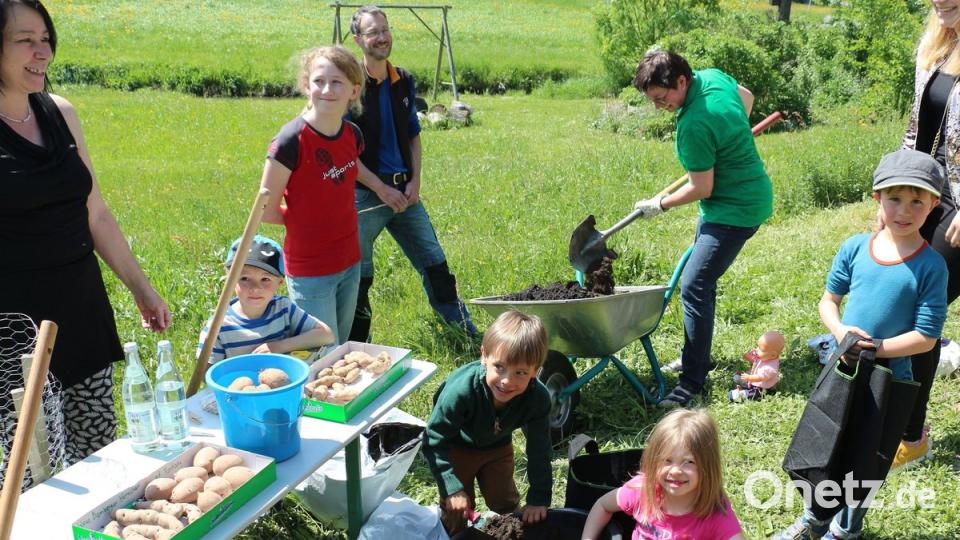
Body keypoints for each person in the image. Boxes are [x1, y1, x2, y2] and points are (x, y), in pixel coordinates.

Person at [0, 0, 170, 468]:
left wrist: (141, 288)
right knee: (36, 466)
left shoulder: (61, 113)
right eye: (25, 41)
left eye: (46, 39)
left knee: (98, 452)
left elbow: (94, 212)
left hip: (81, 312)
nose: (43, 52)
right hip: (13, 333)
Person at [777, 149, 948, 540]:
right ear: (877, 198)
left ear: (933, 205)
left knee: (870, 454)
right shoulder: (855, 248)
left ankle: (848, 526)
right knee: (827, 442)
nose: (904, 211)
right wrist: (840, 333)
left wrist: (876, 348)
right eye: (895, 199)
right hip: (842, 367)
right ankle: (815, 517)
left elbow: (926, 338)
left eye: (917, 201)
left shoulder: (931, 266)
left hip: (890, 380)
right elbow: (828, 301)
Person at [631, 49, 773, 408]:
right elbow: (747, 98)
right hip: (734, 200)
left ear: (681, 81)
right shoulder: (711, 76)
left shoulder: (693, 124)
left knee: (694, 285)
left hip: (735, 209)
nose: (660, 106)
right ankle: (699, 357)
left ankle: (692, 381)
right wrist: (731, 137)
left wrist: (659, 204)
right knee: (700, 282)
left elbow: (701, 188)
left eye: (663, 99)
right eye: (654, 101)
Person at [347, 5, 477, 342]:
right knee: (359, 279)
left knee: (435, 264)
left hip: (405, 193)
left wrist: (415, 180)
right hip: (364, 196)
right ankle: (357, 350)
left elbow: (413, 135)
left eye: (384, 29)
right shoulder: (350, 86)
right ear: (358, 39)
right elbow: (344, 154)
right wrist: (379, 188)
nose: (381, 37)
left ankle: (465, 333)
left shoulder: (402, 80)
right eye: (372, 32)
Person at [259, 45, 365, 344]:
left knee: (341, 346)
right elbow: (266, 210)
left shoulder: (352, 135)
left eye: (337, 82)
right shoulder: (290, 141)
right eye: (319, 81)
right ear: (307, 85)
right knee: (322, 351)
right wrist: (307, 223)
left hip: (350, 259)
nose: (327, 89)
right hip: (311, 269)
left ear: (353, 91)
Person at [894, 0, 960, 471]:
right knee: (916, 311)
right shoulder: (937, 48)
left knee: (921, 316)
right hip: (933, 196)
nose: (940, 2)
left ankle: (910, 435)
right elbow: (918, 132)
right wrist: (895, 192)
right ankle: (911, 435)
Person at [421, 310, 551, 535]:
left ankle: (511, 532)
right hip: (457, 447)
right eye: (499, 367)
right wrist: (452, 489)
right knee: (458, 509)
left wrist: (539, 497)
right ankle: (455, 534)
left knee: (505, 501)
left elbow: (540, 449)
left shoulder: (537, 398)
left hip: (498, 448)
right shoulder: (461, 392)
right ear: (484, 356)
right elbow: (434, 439)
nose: (507, 381)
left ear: (535, 371)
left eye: (520, 372)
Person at [580, 409, 744, 540]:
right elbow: (602, 505)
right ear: (653, 461)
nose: (675, 471)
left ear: (708, 467)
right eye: (667, 460)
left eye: (689, 462)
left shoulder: (714, 512)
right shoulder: (642, 490)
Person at [196, 235, 335, 363]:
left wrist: (277, 347)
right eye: (244, 278)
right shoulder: (219, 326)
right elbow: (207, 374)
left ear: (279, 283)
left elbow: (326, 335)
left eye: (265, 279)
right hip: (240, 388)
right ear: (230, 280)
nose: (256, 288)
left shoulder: (283, 309)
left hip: (284, 382)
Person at [729, 330, 783, 402]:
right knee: (736, 377)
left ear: (773, 355)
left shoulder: (770, 368)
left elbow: (760, 377)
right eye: (758, 347)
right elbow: (754, 360)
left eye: (760, 349)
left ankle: (744, 394)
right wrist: (747, 357)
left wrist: (749, 378)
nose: (757, 350)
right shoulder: (767, 356)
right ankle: (744, 388)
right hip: (754, 380)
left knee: (753, 393)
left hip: (763, 387)